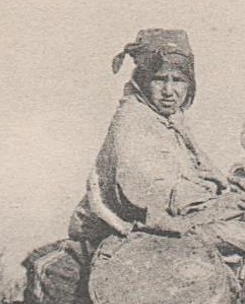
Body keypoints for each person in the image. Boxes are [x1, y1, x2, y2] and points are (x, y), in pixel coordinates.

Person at [68, 28, 228, 250]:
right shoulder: (132, 120)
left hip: (171, 218)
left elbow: (207, 173)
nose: (169, 91)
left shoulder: (172, 120)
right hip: (129, 226)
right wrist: (217, 205)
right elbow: (145, 195)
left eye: (179, 80)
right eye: (159, 79)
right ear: (143, 81)